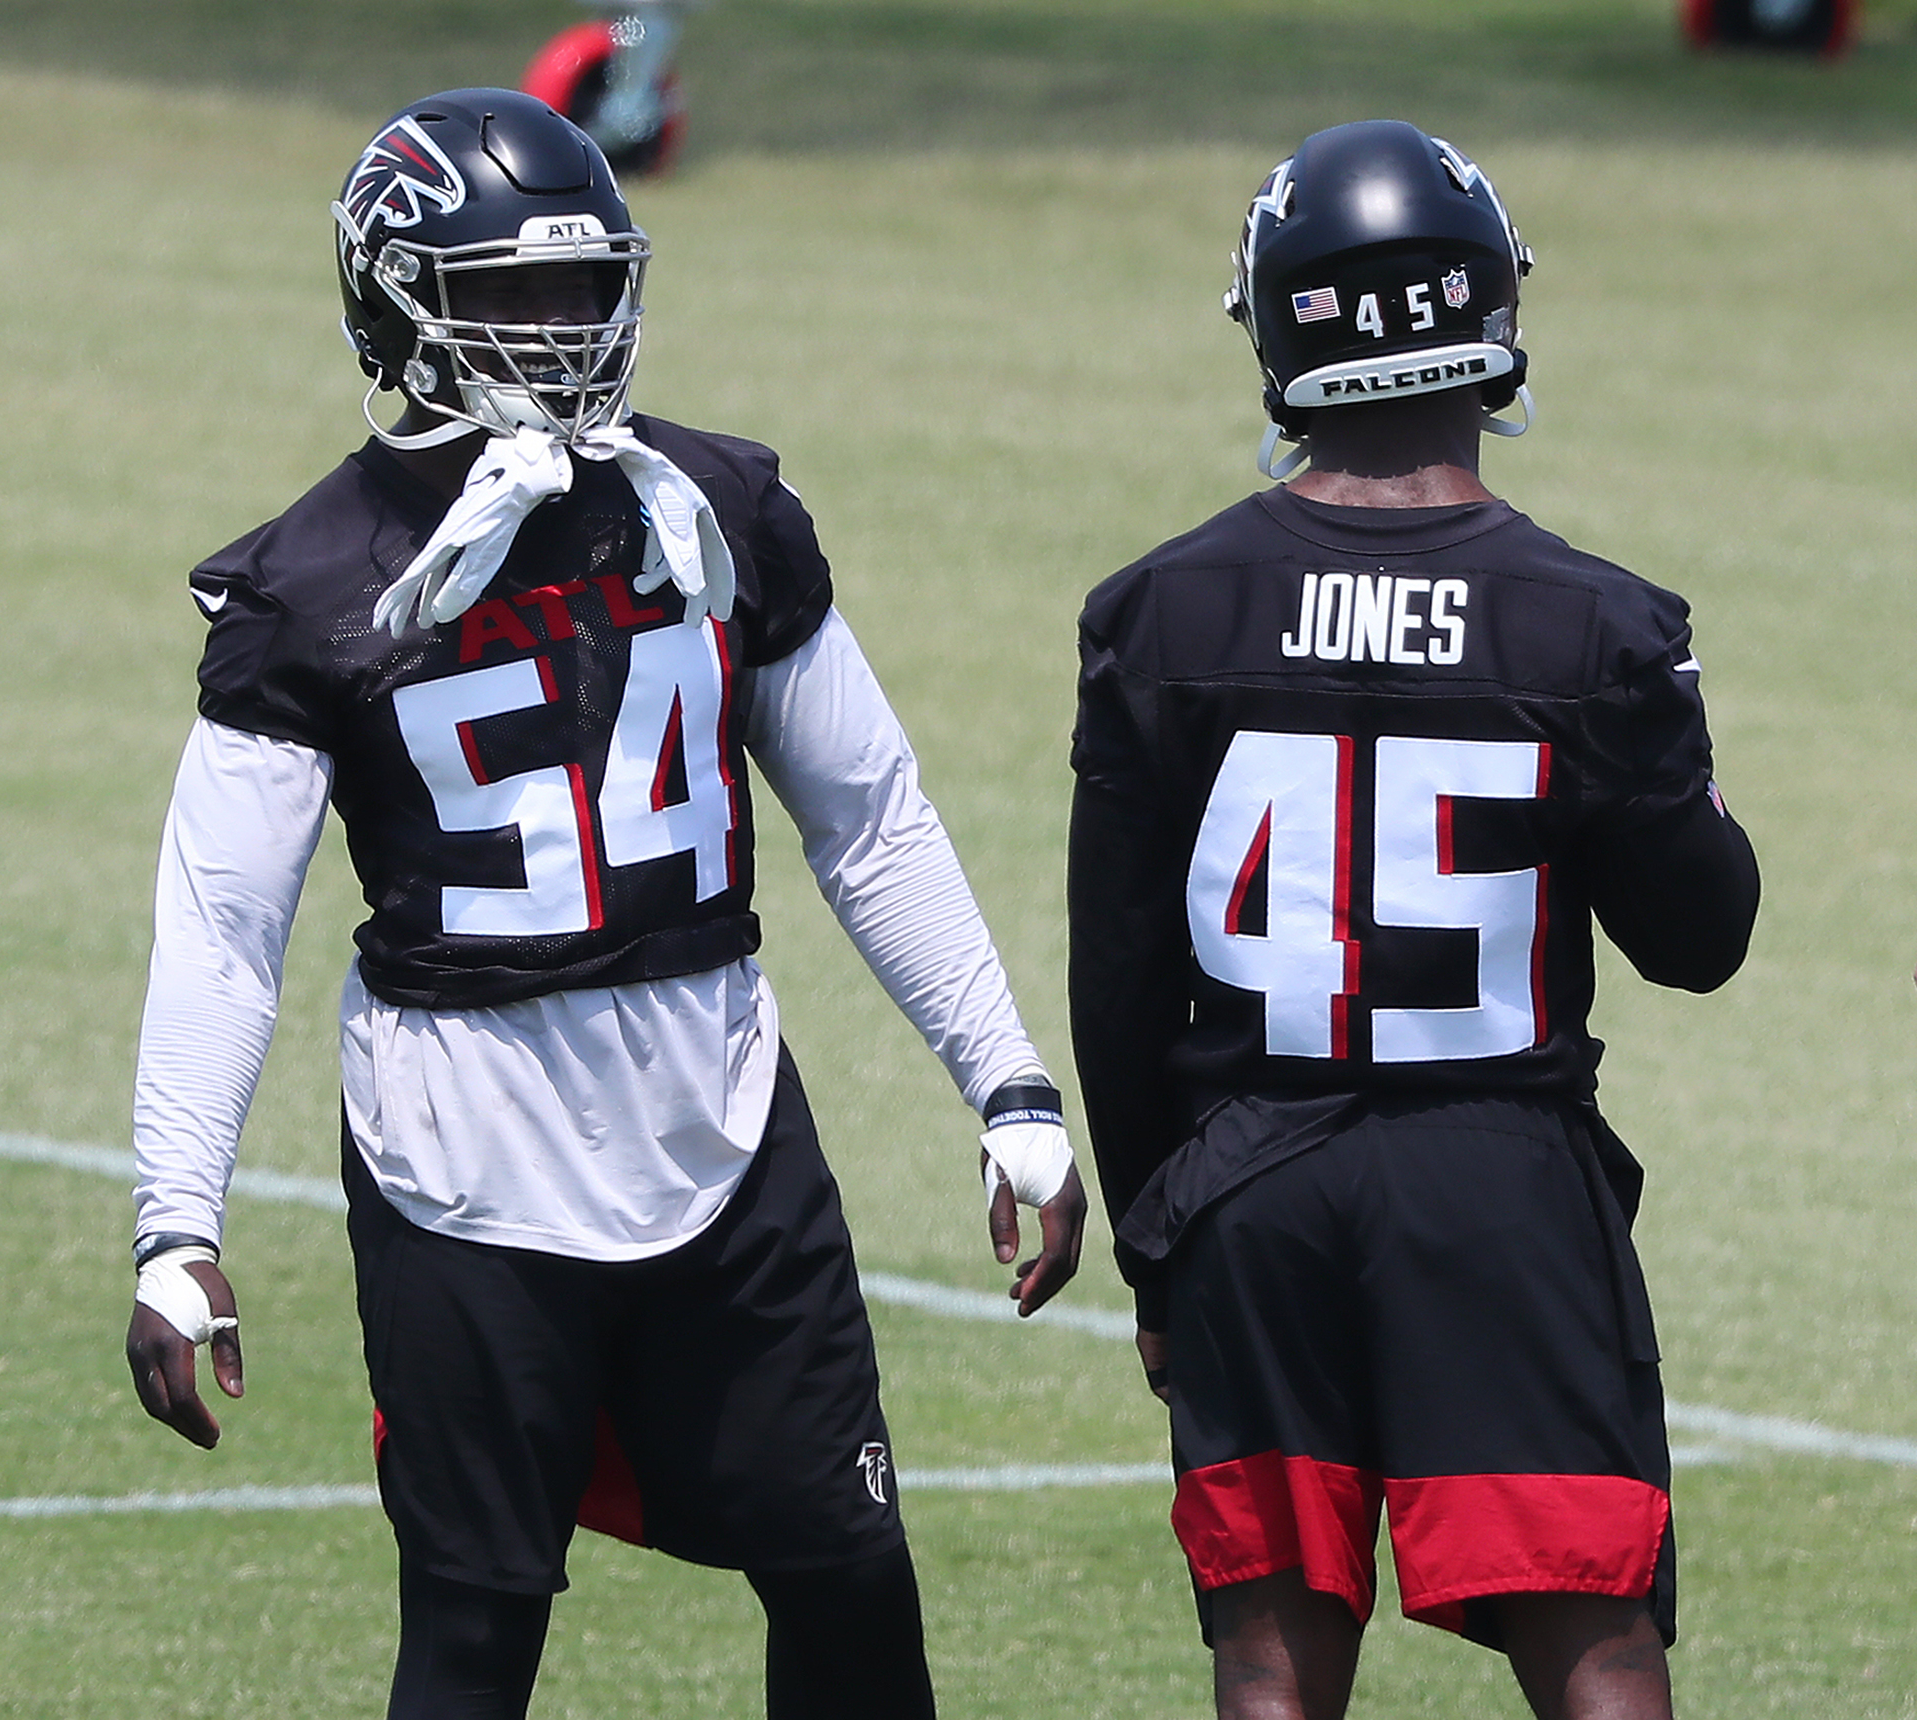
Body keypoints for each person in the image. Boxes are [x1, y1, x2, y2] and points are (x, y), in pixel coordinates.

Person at [123, 86, 1086, 1720]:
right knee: (478, 1623)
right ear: (395, 300)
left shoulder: (713, 506)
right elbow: (223, 929)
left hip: (716, 1104)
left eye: (580, 291)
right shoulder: (306, 584)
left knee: (855, 1587)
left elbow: (871, 816)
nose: (560, 333)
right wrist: (176, 1219)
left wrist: (1006, 1079)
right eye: (506, 295)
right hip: (460, 1150)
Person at [1067, 120, 1758, 1720]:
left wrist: (1157, 1242)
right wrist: (1668, 749)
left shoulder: (1162, 610)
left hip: (1247, 1181)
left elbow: (1120, 976)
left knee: (1271, 1657)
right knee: (1594, 1653)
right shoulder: (1593, 619)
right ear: (1493, 317)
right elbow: (1701, 937)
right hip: (1498, 1183)